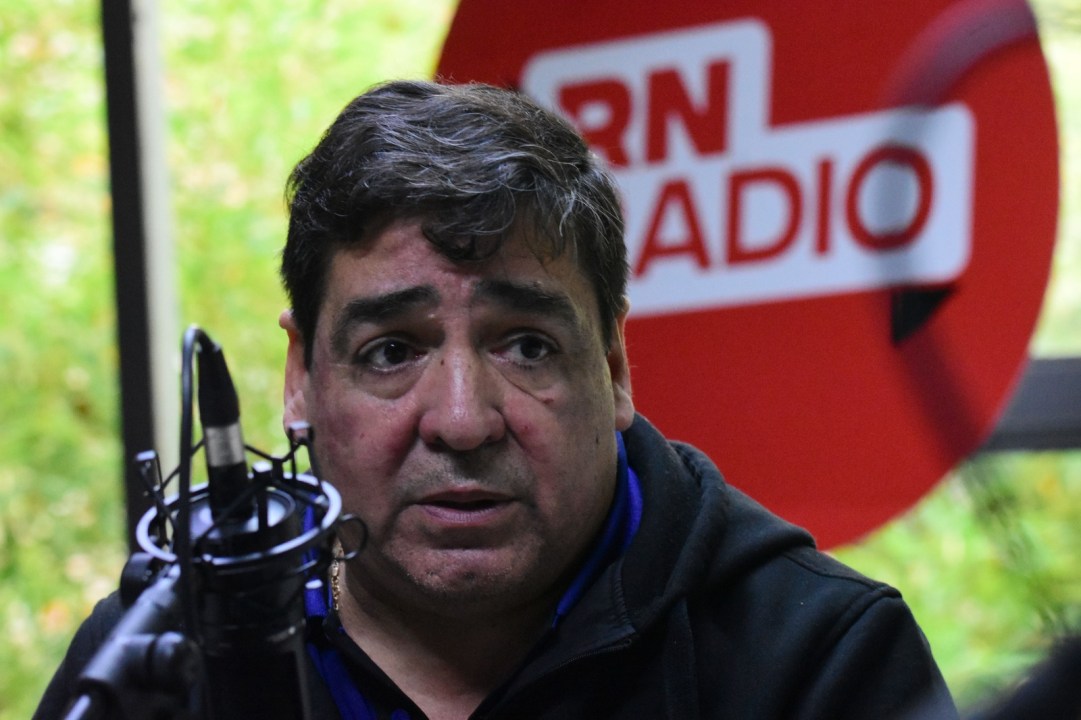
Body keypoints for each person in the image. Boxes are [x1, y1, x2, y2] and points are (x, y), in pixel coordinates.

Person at [35, 79, 958, 719]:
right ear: (299, 379)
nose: (462, 420)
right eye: (391, 352)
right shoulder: (152, 667)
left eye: (526, 346)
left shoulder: (819, 661)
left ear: (613, 366)